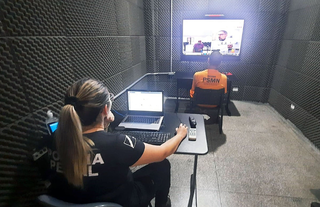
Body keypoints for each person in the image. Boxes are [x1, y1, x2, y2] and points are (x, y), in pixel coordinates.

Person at [44, 78, 188, 207]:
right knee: (161, 165)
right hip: (121, 202)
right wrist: (180, 135)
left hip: (68, 201)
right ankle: (163, 204)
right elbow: (163, 152)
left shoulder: (50, 140)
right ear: (105, 109)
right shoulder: (116, 144)